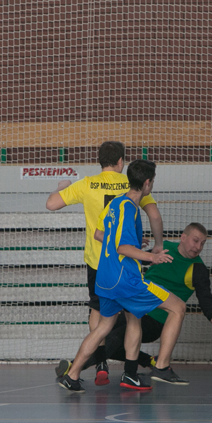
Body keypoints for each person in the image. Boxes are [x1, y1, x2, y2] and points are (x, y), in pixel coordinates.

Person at [55, 160, 186, 393]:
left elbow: (99, 233)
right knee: (178, 307)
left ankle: (75, 375)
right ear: (147, 183)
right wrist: (152, 256)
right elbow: (122, 248)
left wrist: (134, 241)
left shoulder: (116, 202)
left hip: (105, 277)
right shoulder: (129, 208)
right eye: (152, 181)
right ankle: (162, 367)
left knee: (112, 325)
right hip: (125, 280)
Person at [46, 141, 164, 380]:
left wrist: (62, 187)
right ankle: (133, 371)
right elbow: (154, 215)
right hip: (124, 262)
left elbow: (51, 204)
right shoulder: (132, 183)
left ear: (99, 161)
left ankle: (100, 364)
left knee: (98, 314)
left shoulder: (87, 184)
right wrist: (158, 245)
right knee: (133, 318)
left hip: (97, 261)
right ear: (121, 161)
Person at [77, 222, 212, 385]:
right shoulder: (165, 248)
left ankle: (73, 369)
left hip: (155, 320)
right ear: (183, 237)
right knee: (102, 332)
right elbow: (141, 260)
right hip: (135, 306)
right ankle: (147, 360)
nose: (198, 247)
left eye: (202, 243)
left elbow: (206, 299)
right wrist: (135, 248)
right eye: (195, 241)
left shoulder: (198, 269)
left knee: (116, 338)